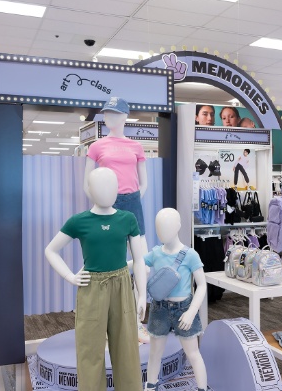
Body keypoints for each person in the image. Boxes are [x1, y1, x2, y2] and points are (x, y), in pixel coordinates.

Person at [45, 167, 147, 391]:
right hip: (91, 288)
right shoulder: (79, 221)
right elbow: (51, 250)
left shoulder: (127, 219)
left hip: (122, 287)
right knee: (89, 350)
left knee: (127, 350)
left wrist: (142, 295)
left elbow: (139, 260)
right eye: (100, 186)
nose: (107, 191)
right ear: (89, 190)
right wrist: (70, 276)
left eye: (111, 186)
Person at [84, 97, 151, 343]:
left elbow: (143, 182)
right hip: (106, 204)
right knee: (109, 265)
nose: (109, 118)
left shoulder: (136, 146)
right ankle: (105, 327)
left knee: (143, 264)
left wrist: (132, 198)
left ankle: (136, 322)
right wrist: (103, 203)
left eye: (114, 113)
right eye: (106, 113)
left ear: (125, 116)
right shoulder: (97, 146)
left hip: (132, 203)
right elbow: (87, 183)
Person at [144, 208, 207, 391]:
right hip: (159, 308)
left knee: (193, 354)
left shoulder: (190, 255)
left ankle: (202, 388)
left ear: (178, 226)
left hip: (184, 309)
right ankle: (150, 386)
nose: (161, 231)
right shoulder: (155, 253)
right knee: (154, 353)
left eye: (166, 226)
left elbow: (202, 285)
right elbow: (139, 263)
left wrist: (191, 312)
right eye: (158, 227)